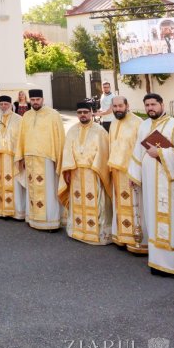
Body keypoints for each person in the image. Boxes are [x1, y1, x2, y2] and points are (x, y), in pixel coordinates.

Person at [127, 93, 174, 277]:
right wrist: (134, 175)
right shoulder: (144, 125)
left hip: (170, 182)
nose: (150, 108)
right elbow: (137, 150)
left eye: (153, 104)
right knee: (152, 217)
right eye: (147, 105)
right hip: (150, 181)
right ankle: (158, 263)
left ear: (161, 104)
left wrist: (160, 152)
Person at [59, 101, 111, 245]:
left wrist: (97, 169)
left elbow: (104, 153)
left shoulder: (100, 131)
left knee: (95, 202)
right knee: (77, 201)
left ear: (91, 113)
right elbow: (67, 151)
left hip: (93, 172)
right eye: (80, 112)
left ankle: (97, 234)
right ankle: (78, 230)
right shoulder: (72, 130)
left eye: (85, 112)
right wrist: (68, 170)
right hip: (75, 173)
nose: (83, 115)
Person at [17, 89, 65, 231]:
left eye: (38, 99)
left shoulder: (53, 115)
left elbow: (59, 137)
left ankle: (50, 221)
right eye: (33, 100)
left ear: (42, 99)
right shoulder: (26, 115)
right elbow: (22, 137)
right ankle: (33, 218)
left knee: (48, 190)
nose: (35, 102)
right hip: (30, 158)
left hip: (47, 158)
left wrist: (59, 157)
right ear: (29, 100)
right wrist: (22, 156)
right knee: (32, 189)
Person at [106, 96, 144, 253]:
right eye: (114, 106)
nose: (117, 109)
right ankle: (121, 236)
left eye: (120, 105)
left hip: (131, 172)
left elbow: (141, 150)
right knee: (119, 205)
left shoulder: (138, 123)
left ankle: (136, 240)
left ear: (127, 105)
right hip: (116, 170)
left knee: (136, 205)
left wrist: (137, 172)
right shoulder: (114, 122)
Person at [0, 96, 25, 219]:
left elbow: (22, 139)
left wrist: (21, 156)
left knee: (15, 184)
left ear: (11, 104)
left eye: (6, 104)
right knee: (1, 183)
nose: (3, 106)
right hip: (0, 157)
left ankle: (17, 213)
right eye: (1, 104)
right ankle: (2, 210)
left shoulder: (19, 119)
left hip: (13, 157)